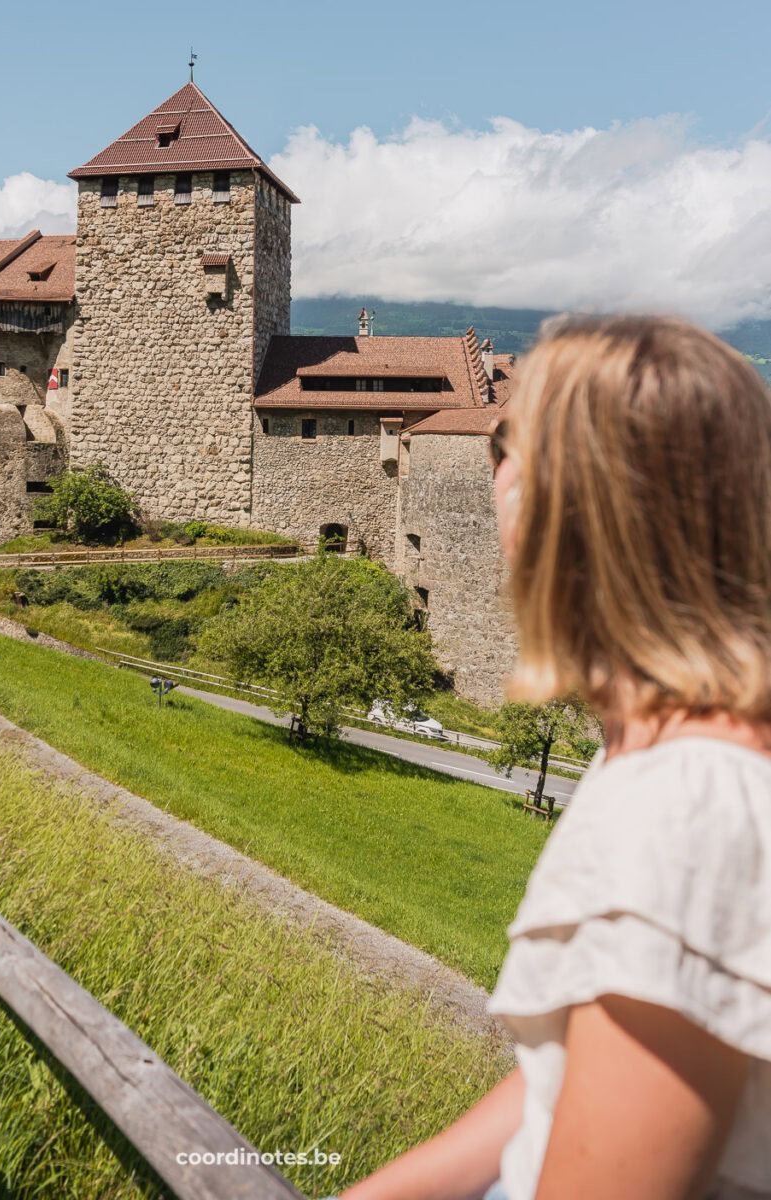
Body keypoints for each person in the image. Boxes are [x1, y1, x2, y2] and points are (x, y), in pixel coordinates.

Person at [342, 315, 771, 1200]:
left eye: (508, 441)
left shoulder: (685, 810)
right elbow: (569, 1076)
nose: (494, 469)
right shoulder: (673, 756)